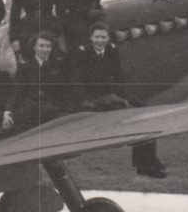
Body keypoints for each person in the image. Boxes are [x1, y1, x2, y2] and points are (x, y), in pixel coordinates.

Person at [70, 22, 168, 179]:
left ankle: (148, 159)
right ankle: (144, 164)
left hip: (112, 95)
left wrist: (122, 97)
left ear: (108, 39)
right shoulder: (83, 53)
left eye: (103, 37)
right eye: (97, 37)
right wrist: (88, 101)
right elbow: (77, 81)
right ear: (91, 38)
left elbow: (118, 77)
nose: (100, 40)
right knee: (130, 118)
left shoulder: (112, 51)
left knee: (144, 111)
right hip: (94, 99)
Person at [3, 31, 69, 132]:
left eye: (48, 46)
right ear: (34, 47)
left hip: (53, 106)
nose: (45, 49)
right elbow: (16, 91)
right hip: (33, 108)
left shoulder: (58, 64)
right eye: (41, 46)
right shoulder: (24, 67)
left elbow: (63, 90)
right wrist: (7, 112)